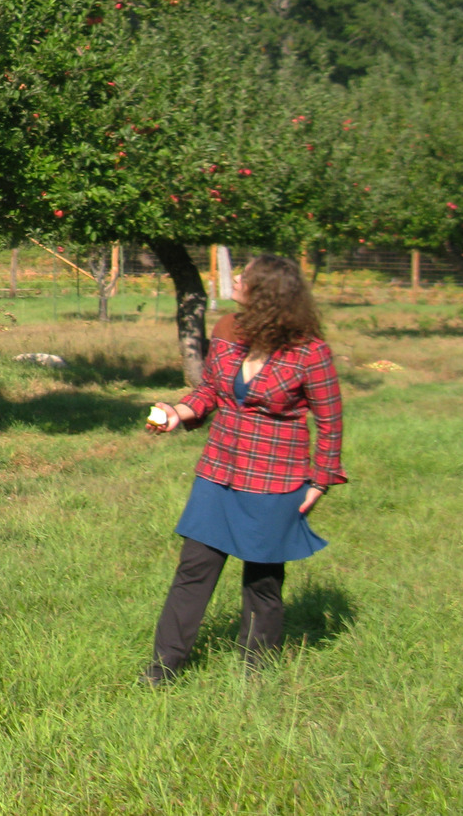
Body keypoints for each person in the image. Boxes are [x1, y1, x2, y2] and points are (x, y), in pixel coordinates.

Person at [144, 254, 345, 682]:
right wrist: (180, 411)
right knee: (193, 569)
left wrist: (322, 480)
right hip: (219, 470)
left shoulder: (310, 352)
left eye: (244, 276)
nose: (234, 278)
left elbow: (330, 421)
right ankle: (164, 667)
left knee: (263, 582)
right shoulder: (227, 330)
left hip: (275, 480)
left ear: (267, 293)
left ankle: (257, 672)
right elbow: (212, 390)